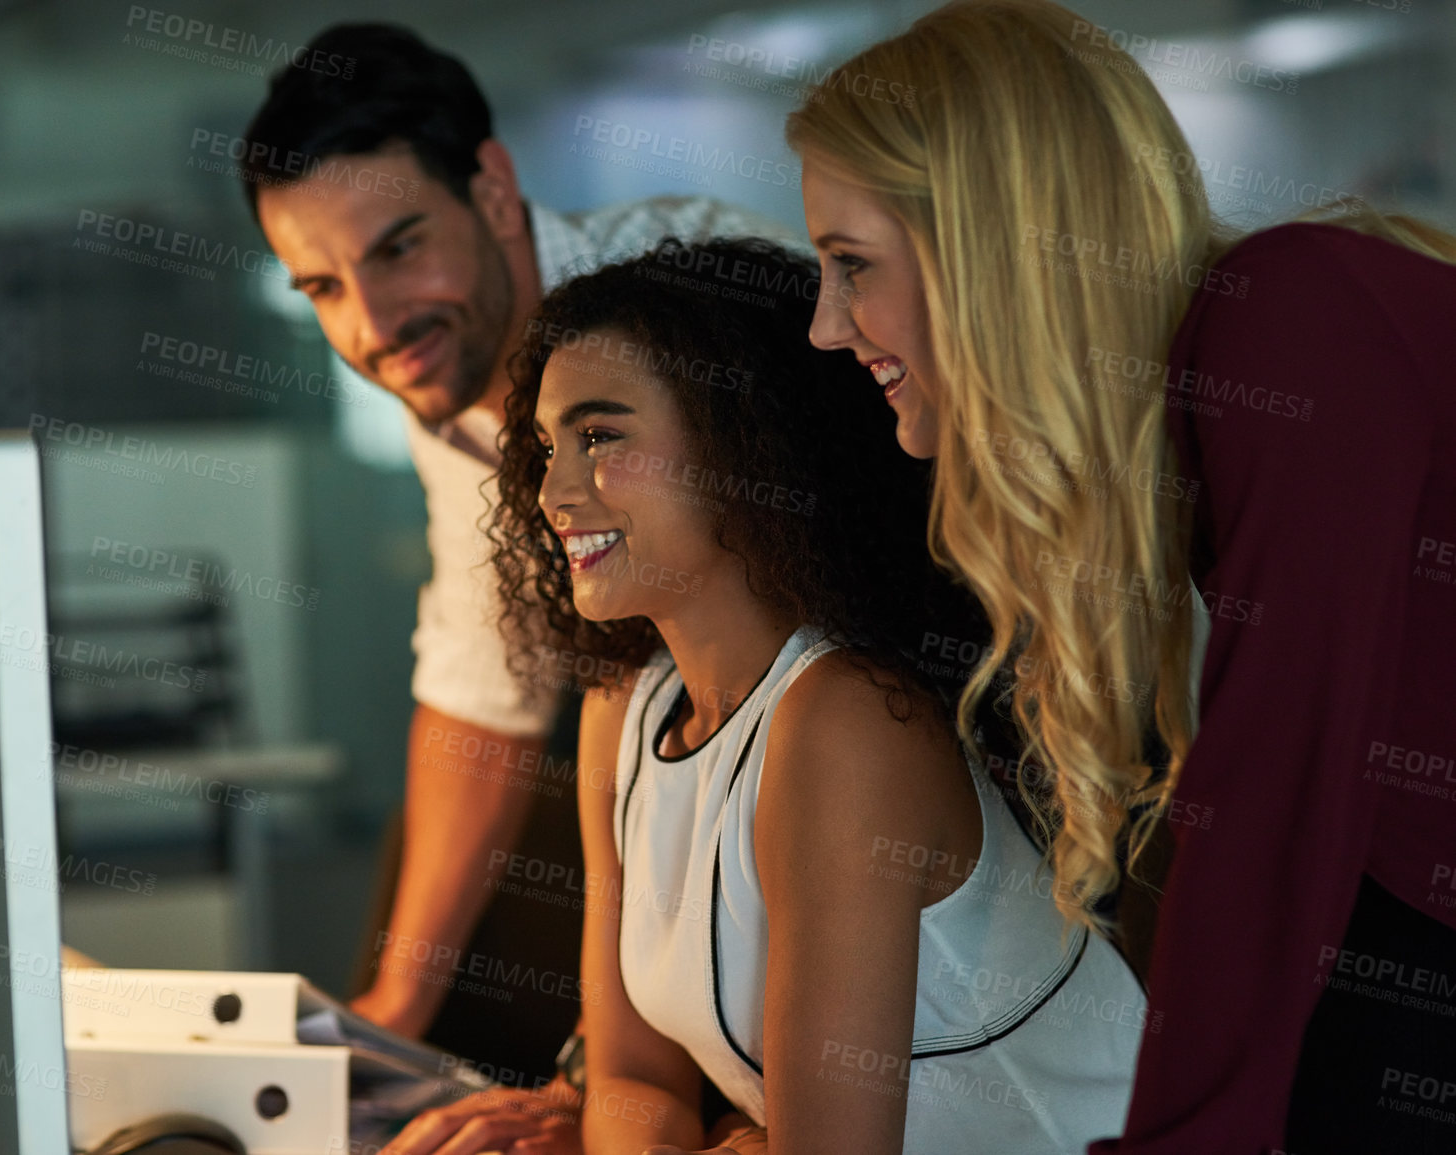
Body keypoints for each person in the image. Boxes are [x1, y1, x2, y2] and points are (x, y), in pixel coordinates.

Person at [786, 2, 1456, 1151]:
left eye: (852, 267)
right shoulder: (1185, 420)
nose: (824, 327)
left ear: (993, 246)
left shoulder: (1291, 318)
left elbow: (1278, 787)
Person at [239, 22, 800, 1148]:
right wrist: (384, 1025)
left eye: (398, 249)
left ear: (492, 186)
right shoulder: (451, 394)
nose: (371, 324)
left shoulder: (705, 311)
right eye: (321, 287)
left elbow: (798, 693)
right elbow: (481, 681)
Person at [487, 236, 1147, 1153]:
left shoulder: (844, 723)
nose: (553, 487)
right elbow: (633, 1075)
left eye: (601, 436)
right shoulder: (625, 713)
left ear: (744, 443)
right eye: (547, 445)